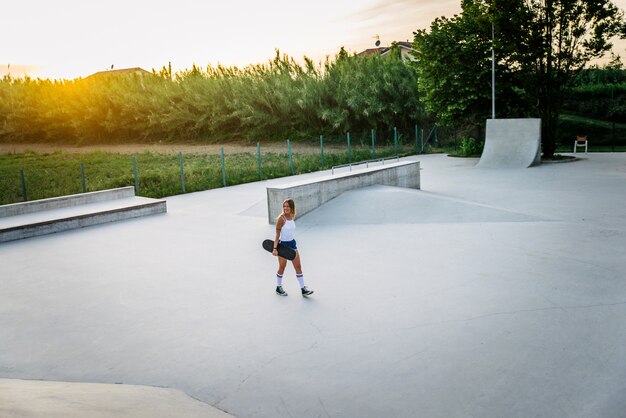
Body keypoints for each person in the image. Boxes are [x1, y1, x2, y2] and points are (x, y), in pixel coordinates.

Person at [272, 198, 314, 297]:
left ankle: (303, 289)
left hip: (292, 244)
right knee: (282, 267)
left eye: (287, 206)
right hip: (283, 246)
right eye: (284, 206)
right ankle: (278, 287)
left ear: (291, 207)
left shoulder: (291, 216)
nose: (285, 208)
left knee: (298, 267)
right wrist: (275, 248)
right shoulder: (281, 219)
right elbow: (277, 235)